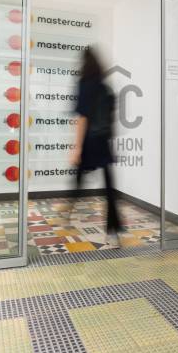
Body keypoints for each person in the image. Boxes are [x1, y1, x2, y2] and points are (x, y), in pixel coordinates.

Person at [70, 47, 122, 245]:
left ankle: (69, 209)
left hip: (89, 141)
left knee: (78, 177)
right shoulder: (105, 88)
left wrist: (77, 147)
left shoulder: (84, 85)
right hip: (103, 142)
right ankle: (113, 232)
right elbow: (111, 118)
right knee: (109, 188)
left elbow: (82, 118)